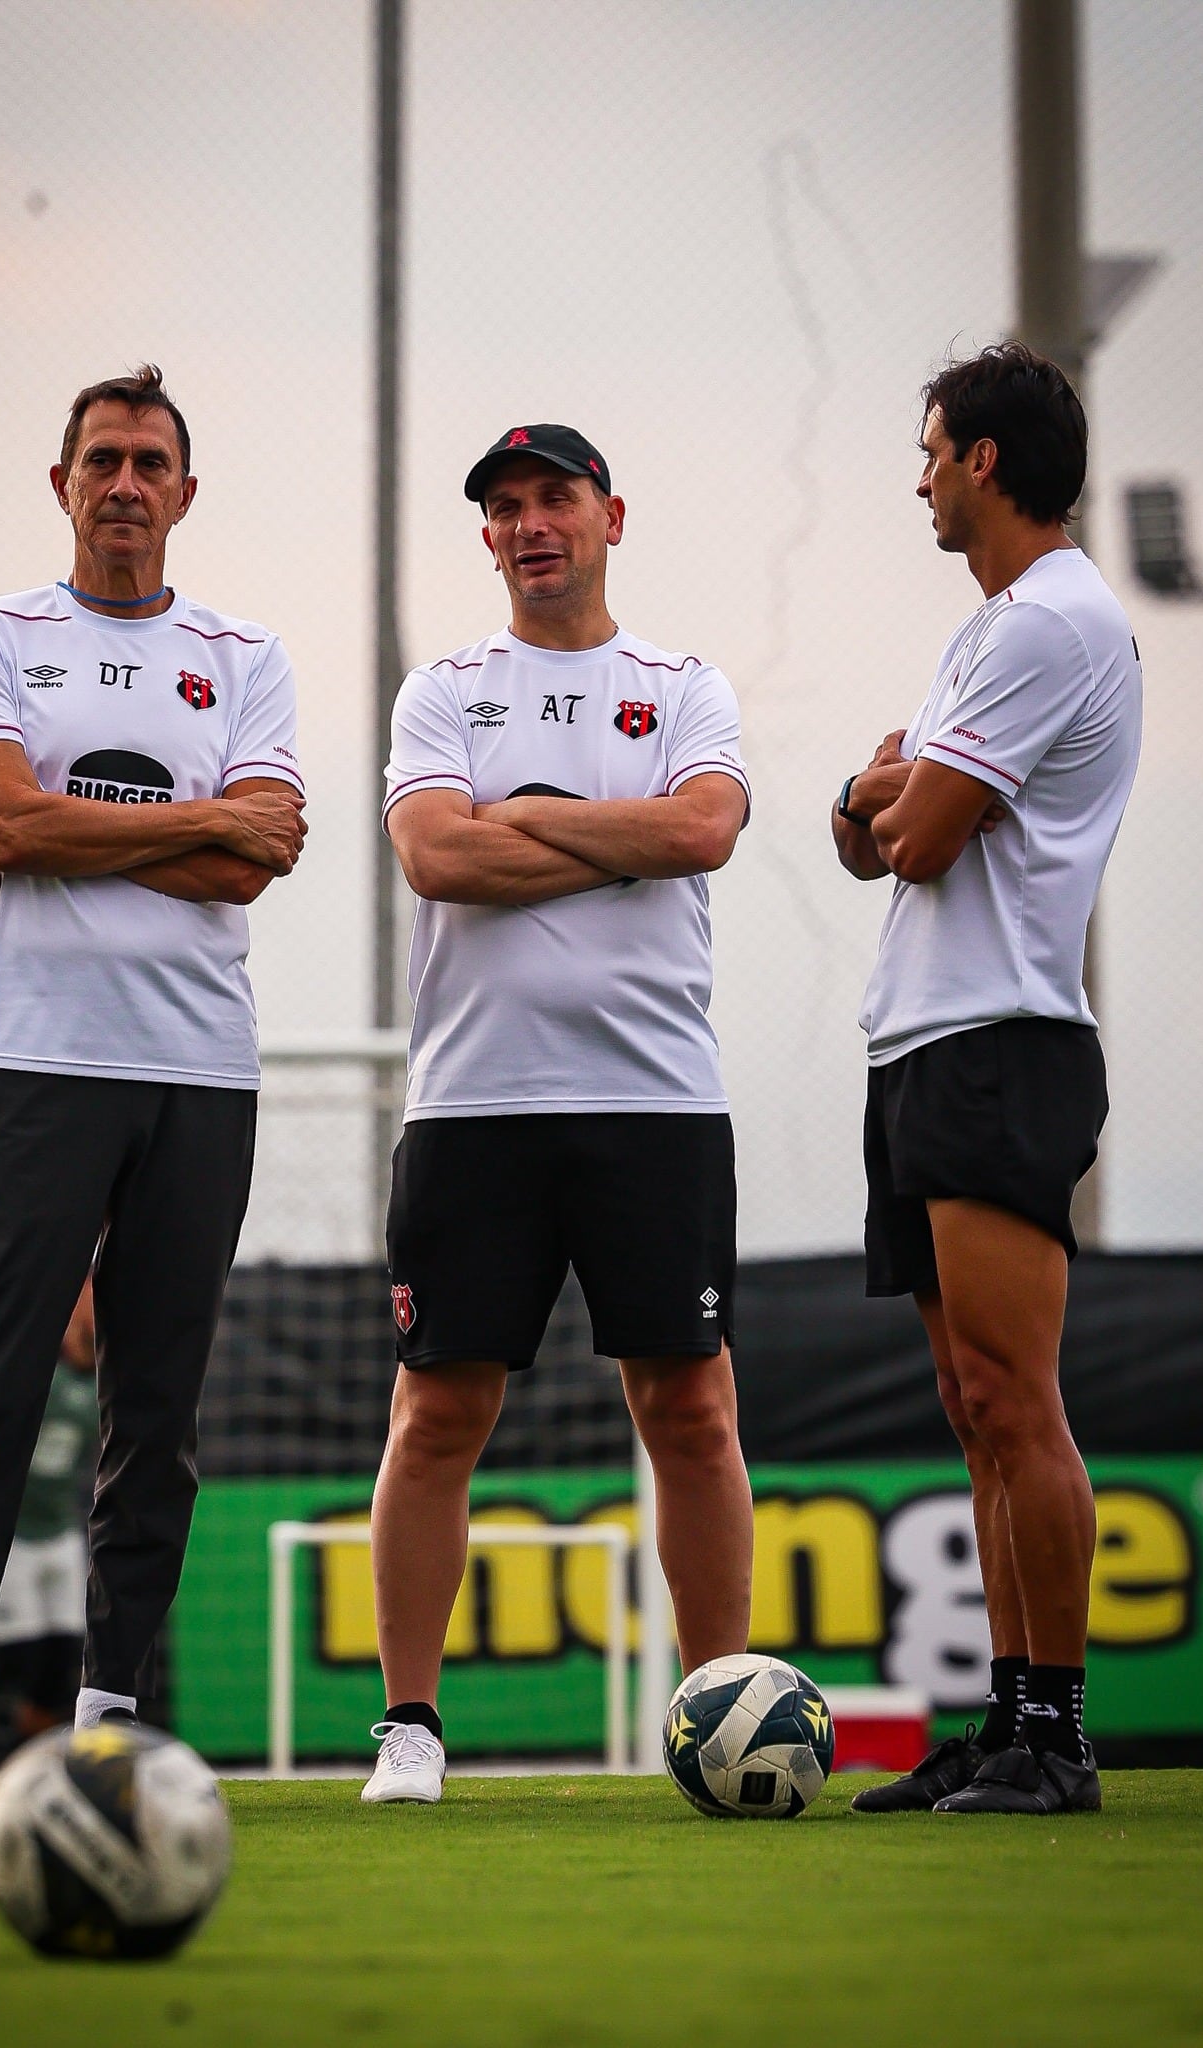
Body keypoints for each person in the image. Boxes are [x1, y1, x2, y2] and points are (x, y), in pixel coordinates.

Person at [0, 366, 306, 1813]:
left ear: (186, 493)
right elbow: (2, 810)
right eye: (102, 460)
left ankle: (110, 1717)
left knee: (155, 1412)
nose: (125, 484)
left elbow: (260, 860)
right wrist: (162, 822)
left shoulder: (243, 654)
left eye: (151, 463)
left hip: (199, 1069)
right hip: (37, 1061)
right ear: (60, 482)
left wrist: (58, 830)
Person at [364, 423, 755, 1804]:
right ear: (486, 536)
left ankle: (721, 1713)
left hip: (655, 1101)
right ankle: (409, 1725)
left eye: (556, 499)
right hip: (472, 1104)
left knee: (690, 1411)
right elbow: (431, 853)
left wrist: (518, 823)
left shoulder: (683, 683)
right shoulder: (443, 691)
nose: (532, 523)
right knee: (437, 1414)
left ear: (611, 516)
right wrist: (611, 829)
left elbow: (702, 833)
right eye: (507, 506)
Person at [831, 344, 1142, 1816]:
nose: (919, 478)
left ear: (987, 464)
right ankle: (1011, 1721)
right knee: (970, 1399)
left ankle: (1056, 1737)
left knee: (1016, 1396)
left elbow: (914, 836)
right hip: (930, 1044)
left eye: (934, 451)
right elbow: (868, 823)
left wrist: (888, 787)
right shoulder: (998, 627)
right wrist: (877, 788)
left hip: (1001, 1039)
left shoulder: (1051, 626)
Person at [0, 1274, 99, 1746]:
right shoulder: (36, 1375)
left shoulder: (102, 1386)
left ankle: (41, 1753)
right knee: (16, 1656)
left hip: (61, 1530)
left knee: (67, 1652)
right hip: (15, 1535)